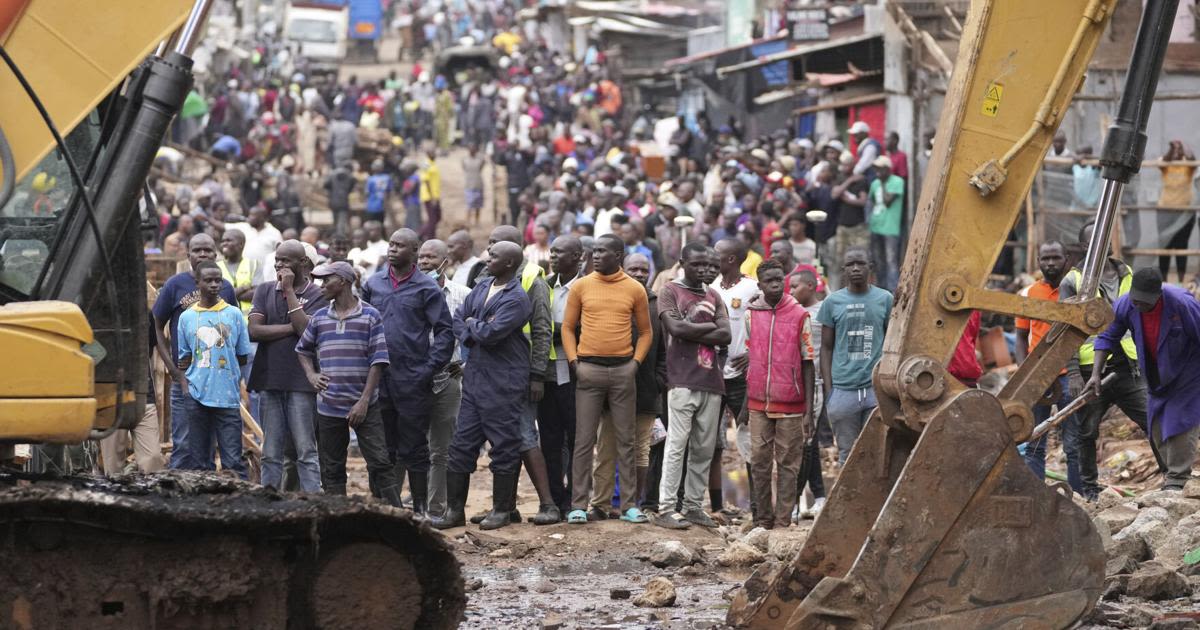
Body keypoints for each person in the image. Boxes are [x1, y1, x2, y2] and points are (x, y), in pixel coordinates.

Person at [435, 242, 533, 530]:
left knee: (503, 446)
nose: (488, 259)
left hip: (503, 382)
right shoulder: (482, 286)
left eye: (494, 256)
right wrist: (474, 326)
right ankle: (455, 511)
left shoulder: (517, 298)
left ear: (510, 263)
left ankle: (503, 510)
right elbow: (458, 319)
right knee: (461, 445)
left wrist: (473, 325)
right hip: (476, 379)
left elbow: (492, 334)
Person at [561, 234, 653, 525]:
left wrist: (635, 363)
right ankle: (578, 505)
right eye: (594, 251)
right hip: (588, 370)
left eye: (603, 251)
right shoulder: (582, 286)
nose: (595, 256)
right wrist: (575, 362)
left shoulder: (634, 289)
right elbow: (567, 327)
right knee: (584, 441)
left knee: (626, 440)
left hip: (623, 371)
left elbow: (647, 332)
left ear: (619, 256)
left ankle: (628, 506)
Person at [362, 228, 454, 515]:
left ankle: (420, 509)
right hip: (378, 378)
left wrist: (428, 369)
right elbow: (361, 323)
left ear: (414, 252)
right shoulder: (373, 283)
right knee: (381, 448)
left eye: (400, 246)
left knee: (414, 447)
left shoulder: (427, 288)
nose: (392, 249)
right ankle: (386, 508)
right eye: (390, 244)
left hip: (413, 378)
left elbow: (445, 332)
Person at [295, 261, 401, 504]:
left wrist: (363, 401)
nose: (321, 286)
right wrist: (312, 375)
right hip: (329, 406)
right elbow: (302, 350)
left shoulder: (370, 315)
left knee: (380, 463)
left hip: (364, 406)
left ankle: (398, 514)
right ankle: (338, 518)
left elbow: (379, 360)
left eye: (326, 280)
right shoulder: (320, 317)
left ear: (342, 281)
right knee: (331, 467)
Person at [1059, 222, 1149, 500]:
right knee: (1086, 433)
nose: (1106, 244)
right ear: (1086, 247)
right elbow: (1066, 331)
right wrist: (1073, 373)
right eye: (1097, 240)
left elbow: (1140, 319)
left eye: (1107, 238)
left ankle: (1173, 480)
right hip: (1089, 370)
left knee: (1153, 420)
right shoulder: (1072, 281)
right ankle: (1090, 491)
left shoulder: (1127, 272)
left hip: (1128, 365)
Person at [1089, 268, 1200, 491]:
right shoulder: (1124, 304)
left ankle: (1178, 479)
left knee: (1180, 421)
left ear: (1158, 295)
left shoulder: (1181, 303)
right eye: (1136, 301)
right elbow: (1107, 337)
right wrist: (1095, 374)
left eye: (1145, 303)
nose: (1139, 306)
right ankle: (1170, 474)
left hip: (1188, 371)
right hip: (1155, 371)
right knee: (1156, 424)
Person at [654, 242, 730, 530]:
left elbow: (727, 335)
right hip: (681, 379)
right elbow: (675, 329)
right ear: (682, 262)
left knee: (703, 448)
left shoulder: (714, 294)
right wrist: (711, 329)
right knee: (677, 444)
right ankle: (665, 508)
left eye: (710, 264)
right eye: (698, 264)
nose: (705, 269)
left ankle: (694, 507)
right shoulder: (670, 291)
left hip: (712, 381)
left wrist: (695, 331)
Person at [248, 240, 328, 493]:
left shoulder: (318, 295)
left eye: (285, 260)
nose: (279, 265)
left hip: (301, 383)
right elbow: (254, 331)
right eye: (277, 260)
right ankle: (268, 501)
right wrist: (292, 328)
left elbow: (307, 331)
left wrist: (289, 292)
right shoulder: (263, 290)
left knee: (305, 449)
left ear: (303, 264)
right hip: (269, 378)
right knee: (271, 450)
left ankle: (313, 502)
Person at [590, 253, 666, 519]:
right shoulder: (613, 297)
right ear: (624, 268)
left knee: (640, 450)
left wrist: (659, 380)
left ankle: (631, 504)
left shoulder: (656, 304)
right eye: (634, 268)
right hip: (612, 389)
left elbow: (664, 350)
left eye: (644, 269)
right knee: (607, 448)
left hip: (646, 390)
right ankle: (601, 504)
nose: (640, 273)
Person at [152, 234, 237, 470]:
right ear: (187, 254)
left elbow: (235, 331)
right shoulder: (174, 285)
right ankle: (179, 497)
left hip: (216, 380)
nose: (202, 255)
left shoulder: (225, 288)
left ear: (216, 254)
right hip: (186, 380)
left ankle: (206, 496)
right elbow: (157, 326)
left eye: (208, 250)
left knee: (209, 445)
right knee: (183, 444)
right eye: (197, 250)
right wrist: (173, 370)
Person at [745, 259, 814, 529]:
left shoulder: (799, 315)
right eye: (769, 281)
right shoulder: (752, 313)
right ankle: (762, 519)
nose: (775, 284)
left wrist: (809, 409)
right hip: (757, 401)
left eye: (779, 279)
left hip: (792, 403)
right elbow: (750, 357)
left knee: (788, 463)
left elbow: (808, 362)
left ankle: (783, 520)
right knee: (760, 462)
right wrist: (742, 405)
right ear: (760, 284)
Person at [1014, 241, 1081, 493]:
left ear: (1066, 259)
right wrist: (1025, 374)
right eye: (1045, 259)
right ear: (1038, 262)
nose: (1050, 263)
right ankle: (1036, 494)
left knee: (1074, 443)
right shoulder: (1029, 294)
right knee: (1033, 441)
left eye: (1055, 258)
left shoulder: (1076, 291)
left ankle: (1079, 497)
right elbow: (1020, 337)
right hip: (1037, 376)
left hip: (1068, 376)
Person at [175, 260, 252, 477]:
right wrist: (186, 388)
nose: (214, 285)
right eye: (208, 280)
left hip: (227, 396)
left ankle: (239, 503)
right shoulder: (187, 317)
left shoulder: (234, 314)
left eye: (218, 280)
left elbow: (242, 356)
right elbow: (184, 359)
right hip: (196, 396)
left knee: (233, 461)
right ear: (197, 283)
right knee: (199, 462)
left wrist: (227, 374)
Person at [818, 248, 893, 464]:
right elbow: (826, 347)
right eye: (850, 265)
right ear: (843, 270)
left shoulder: (885, 299)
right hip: (843, 391)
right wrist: (830, 390)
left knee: (878, 453)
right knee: (848, 456)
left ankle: (877, 498)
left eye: (860, 263)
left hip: (875, 390)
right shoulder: (833, 302)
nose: (856, 268)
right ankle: (848, 498)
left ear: (870, 267)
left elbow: (892, 341)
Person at [417, 239, 470, 518]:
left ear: (444, 262)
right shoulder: (409, 293)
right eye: (421, 257)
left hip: (448, 377)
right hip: (413, 379)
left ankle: (437, 508)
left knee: (442, 448)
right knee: (412, 446)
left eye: (430, 257)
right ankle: (413, 505)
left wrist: (466, 365)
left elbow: (475, 334)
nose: (424, 262)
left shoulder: (463, 294)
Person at [712, 237, 760, 517]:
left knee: (748, 439)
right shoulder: (711, 287)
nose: (712, 258)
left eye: (717, 254)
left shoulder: (752, 288)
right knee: (712, 441)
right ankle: (717, 506)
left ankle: (756, 505)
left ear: (731, 259)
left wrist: (753, 353)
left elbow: (763, 324)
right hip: (714, 372)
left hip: (743, 375)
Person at [540, 235, 583, 515]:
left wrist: (555, 330)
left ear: (578, 256)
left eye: (560, 252)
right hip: (546, 375)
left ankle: (574, 500)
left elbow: (582, 327)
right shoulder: (544, 286)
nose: (554, 256)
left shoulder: (586, 286)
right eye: (552, 251)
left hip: (576, 373)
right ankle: (555, 498)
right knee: (550, 439)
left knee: (576, 439)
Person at [790, 268, 828, 519]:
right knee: (804, 442)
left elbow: (827, 349)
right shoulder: (793, 310)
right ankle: (820, 495)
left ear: (811, 287)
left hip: (815, 383)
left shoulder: (823, 312)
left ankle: (794, 503)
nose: (790, 291)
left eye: (795, 287)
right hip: (794, 383)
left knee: (807, 441)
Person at [1158, 140, 1197, 283]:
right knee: (1165, 246)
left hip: (1184, 213)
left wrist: (1183, 147)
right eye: (1174, 150)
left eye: (1178, 150)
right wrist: (1171, 148)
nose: (1176, 152)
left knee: (1182, 245)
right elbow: (1164, 160)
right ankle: (1164, 281)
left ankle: (1181, 280)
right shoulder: (1166, 163)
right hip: (1165, 212)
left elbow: (1193, 159)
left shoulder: (1188, 165)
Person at [867, 156, 904, 292]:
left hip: (890, 228)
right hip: (876, 226)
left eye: (880, 169)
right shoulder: (874, 183)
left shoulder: (897, 182)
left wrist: (882, 183)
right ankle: (881, 289)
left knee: (891, 261)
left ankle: (893, 291)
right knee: (878, 261)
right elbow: (870, 202)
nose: (877, 172)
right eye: (876, 169)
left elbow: (888, 201)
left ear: (888, 169)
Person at [217, 229, 261, 316]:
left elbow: (258, 294)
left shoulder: (254, 264)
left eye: (228, 240)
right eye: (223, 241)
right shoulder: (216, 267)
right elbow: (217, 297)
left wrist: (228, 294)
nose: (224, 244)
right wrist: (244, 288)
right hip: (225, 322)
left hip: (249, 322)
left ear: (241, 244)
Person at [419, 143, 442, 240]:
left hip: (435, 195)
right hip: (429, 196)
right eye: (432, 152)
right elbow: (426, 180)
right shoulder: (426, 164)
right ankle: (429, 238)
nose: (435, 154)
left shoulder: (433, 163)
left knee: (437, 217)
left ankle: (421, 234)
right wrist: (432, 197)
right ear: (428, 153)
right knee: (432, 219)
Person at [365, 159, 393, 226]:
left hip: (371, 206)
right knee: (381, 226)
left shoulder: (370, 179)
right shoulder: (387, 178)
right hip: (383, 206)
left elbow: (367, 193)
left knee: (371, 227)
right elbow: (389, 193)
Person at [463, 144, 486, 224]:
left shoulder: (479, 160)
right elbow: (464, 168)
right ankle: (468, 222)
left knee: (478, 206)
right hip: (469, 185)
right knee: (469, 205)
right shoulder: (465, 160)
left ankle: (477, 221)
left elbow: (482, 165)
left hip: (478, 184)